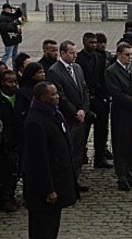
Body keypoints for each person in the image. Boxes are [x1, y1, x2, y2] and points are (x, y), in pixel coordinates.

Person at [24, 81, 78, 239]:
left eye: (57, 93)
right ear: (42, 98)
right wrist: (49, 189)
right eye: (53, 94)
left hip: (58, 180)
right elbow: (38, 161)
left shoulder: (54, 113)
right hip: (44, 190)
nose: (57, 97)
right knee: (43, 229)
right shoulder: (35, 122)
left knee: (52, 226)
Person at [105, 43, 132, 191]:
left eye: (131, 54)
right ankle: (122, 177)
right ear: (119, 55)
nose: (130, 57)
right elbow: (117, 94)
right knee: (121, 146)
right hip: (122, 114)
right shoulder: (111, 72)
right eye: (127, 55)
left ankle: (131, 174)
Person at [47, 40, 90, 192]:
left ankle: (75, 180)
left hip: (80, 117)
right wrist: (74, 112)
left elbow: (84, 89)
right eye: (71, 53)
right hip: (68, 118)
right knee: (67, 152)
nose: (75, 55)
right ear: (63, 53)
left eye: (75, 52)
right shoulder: (54, 71)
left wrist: (84, 109)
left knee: (78, 151)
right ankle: (66, 184)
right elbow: (61, 97)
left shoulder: (77, 68)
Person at [75, 32, 112, 169]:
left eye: (95, 42)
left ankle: (100, 157)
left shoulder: (100, 58)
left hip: (99, 99)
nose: (94, 45)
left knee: (102, 130)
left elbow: (103, 78)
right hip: (85, 101)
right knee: (83, 132)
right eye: (91, 43)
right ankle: (80, 155)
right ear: (84, 43)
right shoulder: (78, 59)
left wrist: (104, 97)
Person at [0, 70, 21, 212]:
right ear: (2, 83)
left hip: (16, 140)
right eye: (10, 82)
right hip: (1, 143)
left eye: (15, 81)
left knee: (14, 170)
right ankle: (3, 197)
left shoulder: (20, 96)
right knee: (2, 171)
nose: (13, 85)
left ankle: (9, 195)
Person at [94, 32, 114, 161]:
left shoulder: (108, 57)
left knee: (103, 127)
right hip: (95, 96)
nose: (102, 45)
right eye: (99, 42)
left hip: (105, 96)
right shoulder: (90, 57)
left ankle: (102, 150)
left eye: (104, 42)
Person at [0, 3, 23, 70]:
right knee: (7, 55)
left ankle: (15, 69)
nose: (10, 10)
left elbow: (19, 14)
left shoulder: (11, 16)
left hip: (15, 38)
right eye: (9, 9)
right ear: (5, 9)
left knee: (15, 55)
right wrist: (15, 24)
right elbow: (5, 28)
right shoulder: (2, 18)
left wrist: (17, 9)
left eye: (11, 9)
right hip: (9, 39)